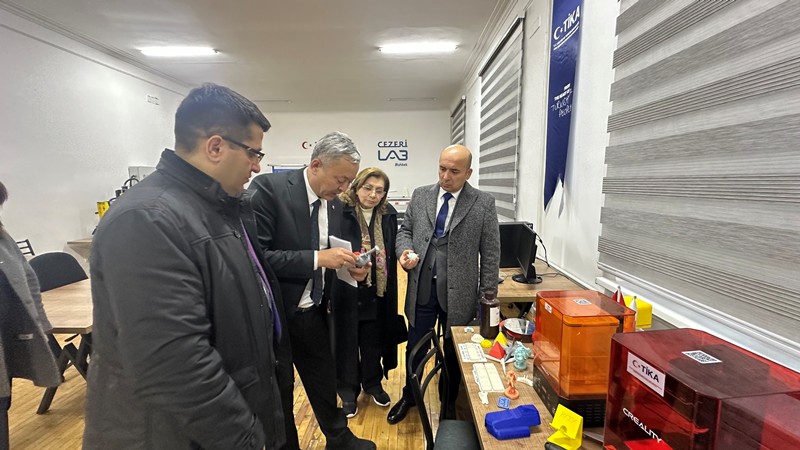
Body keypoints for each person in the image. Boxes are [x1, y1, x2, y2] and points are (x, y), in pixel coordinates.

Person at [83, 83, 286, 449]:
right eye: (253, 152)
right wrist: (245, 438)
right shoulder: (148, 219)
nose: (257, 165)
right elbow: (174, 364)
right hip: (173, 435)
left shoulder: (220, 209)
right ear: (215, 146)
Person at [249, 132, 376, 450]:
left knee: (322, 377)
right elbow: (259, 258)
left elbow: (332, 252)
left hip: (312, 310)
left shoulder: (332, 204)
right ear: (316, 165)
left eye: (349, 181)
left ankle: (339, 438)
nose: (344, 188)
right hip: (275, 316)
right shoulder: (269, 190)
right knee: (282, 389)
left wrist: (351, 267)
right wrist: (319, 259)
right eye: (340, 179)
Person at [387, 144, 500, 424]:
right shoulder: (421, 195)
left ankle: (449, 404)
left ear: (468, 173)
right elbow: (405, 231)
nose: (446, 177)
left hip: (459, 295)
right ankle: (411, 396)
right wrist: (403, 251)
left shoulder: (483, 203)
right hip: (422, 289)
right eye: (442, 169)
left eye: (454, 171)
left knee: (453, 352)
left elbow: (490, 254)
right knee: (415, 348)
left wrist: (487, 300)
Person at [334, 167, 406, 418]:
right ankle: (348, 390)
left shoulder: (388, 214)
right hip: (346, 287)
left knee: (373, 340)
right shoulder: (339, 210)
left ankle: (372, 383)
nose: (373, 195)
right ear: (356, 187)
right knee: (346, 343)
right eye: (368, 188)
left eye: (379, 190)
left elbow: (392, 247)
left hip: (377, 289)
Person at [0, 181, 60, 450]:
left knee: (3, 403)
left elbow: (28, 280)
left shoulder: (3, 239)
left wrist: (40, 324)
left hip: (6, 344)